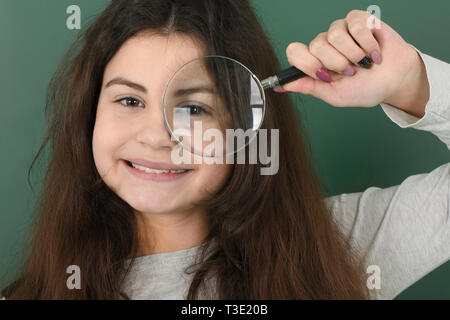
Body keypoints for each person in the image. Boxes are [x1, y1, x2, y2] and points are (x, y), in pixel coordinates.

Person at [1, 0, 449, 300]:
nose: (158, 136)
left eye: (194, 107)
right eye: (130, 100)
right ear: (89, 116)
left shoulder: (342, 244)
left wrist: (412, 84)